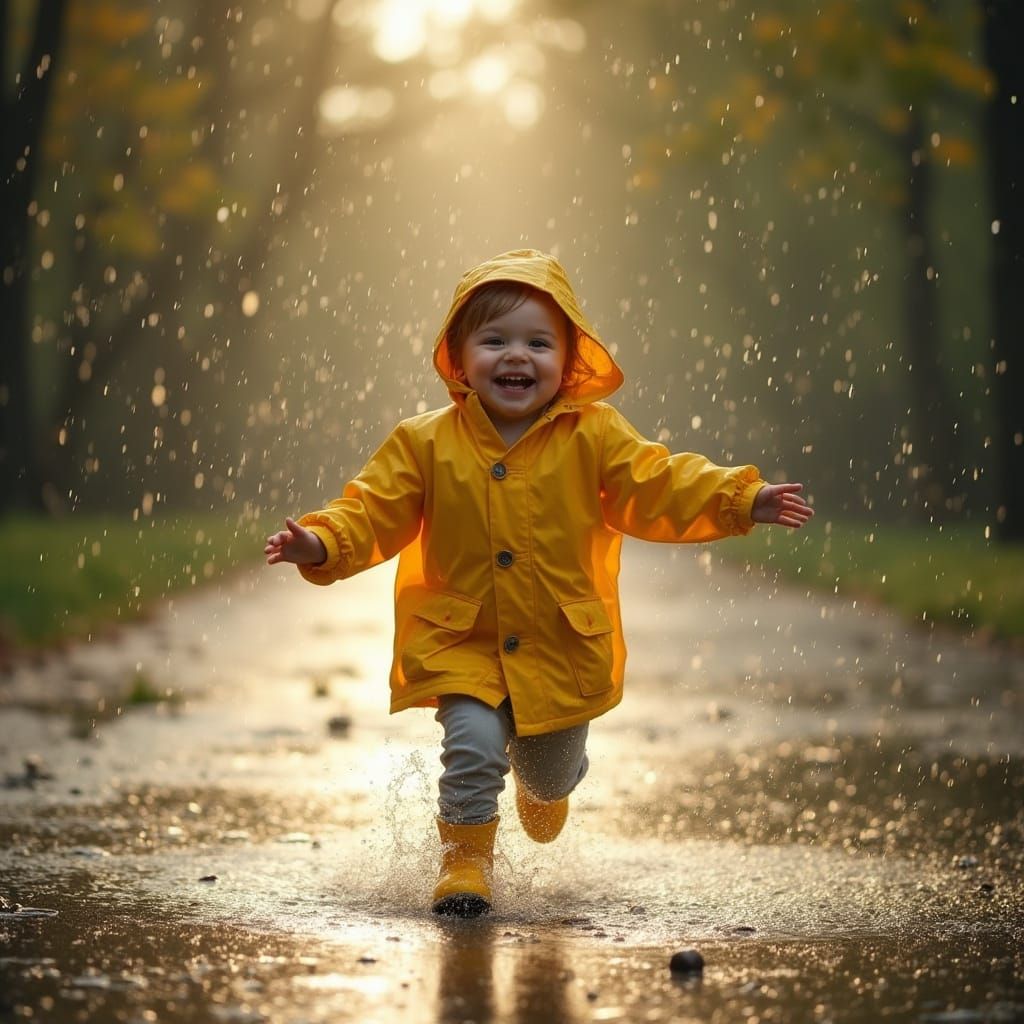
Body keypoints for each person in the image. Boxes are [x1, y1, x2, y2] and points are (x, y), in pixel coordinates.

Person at [265, 249, 813, 917]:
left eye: (537, 343)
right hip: (461, 639)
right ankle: (464, 863)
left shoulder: (595, 435)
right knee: (472, 744)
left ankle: (547, 786)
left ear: (568, 359)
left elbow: (660, 482)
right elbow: (373, 508)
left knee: (549, 774)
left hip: (560, 644)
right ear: (459, 358)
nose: (516, 356)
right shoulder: (424, 443)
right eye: (494, 341)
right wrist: (322, 541)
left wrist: (739, 498)